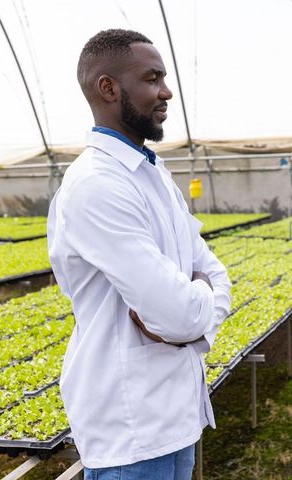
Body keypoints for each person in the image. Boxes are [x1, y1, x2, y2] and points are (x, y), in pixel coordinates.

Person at [47, 28, 231, 480]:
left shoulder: (153, 174)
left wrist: (196, 302)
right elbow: (179, 314)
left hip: (178, 414)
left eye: (164, 78)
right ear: (108, 87)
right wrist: (191, 307)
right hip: (131, 431)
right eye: (152, 78)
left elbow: (214, 276)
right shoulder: (98, 185)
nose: (166, 91)